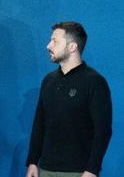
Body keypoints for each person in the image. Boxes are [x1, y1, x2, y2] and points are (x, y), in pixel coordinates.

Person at [26, 21, 112, 177]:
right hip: (46, 169)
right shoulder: (48, 81)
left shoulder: (94, 81)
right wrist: (32, 161)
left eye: (55, 41)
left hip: (79, 171)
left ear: (72, 47)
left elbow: (103, 130)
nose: (48, 45)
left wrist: (92, 169)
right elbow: (40, 123)